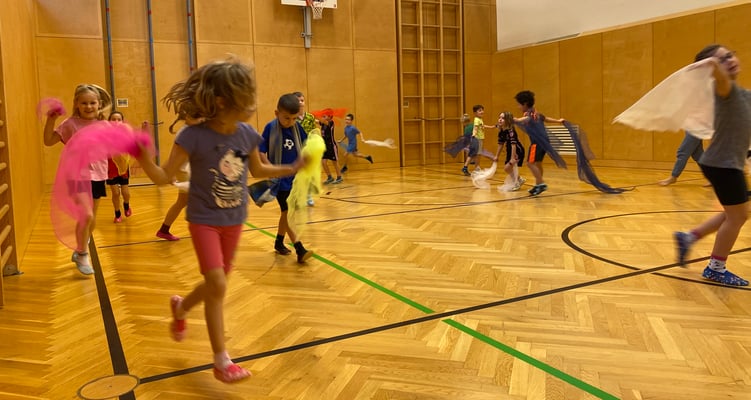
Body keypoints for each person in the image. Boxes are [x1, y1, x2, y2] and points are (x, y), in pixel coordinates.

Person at [136, 58, 304, 383]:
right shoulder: (192, 136)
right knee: (218, 285)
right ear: (223, 101)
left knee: (216, 285)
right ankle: (221, 361)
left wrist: (292, 167)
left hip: (235, 219)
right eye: (246, 97)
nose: (253, 103)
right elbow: (163, 177)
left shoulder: (247, 134)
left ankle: (181, 308)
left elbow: (257, 170)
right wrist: (142, 155)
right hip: (204, 220)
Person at [674, 44, 750, 286]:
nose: (730, 60)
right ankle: (715, 268)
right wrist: (711, 66)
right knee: (738, 217)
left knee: (735, 213)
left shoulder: (743, 94)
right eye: (721, 60)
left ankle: (689, 237)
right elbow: (719, 76)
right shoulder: (724, 90)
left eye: (730, 55)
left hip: (727, 163)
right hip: (722, 165)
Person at [43, 84, 112, 275]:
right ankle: (82, 253)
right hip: (77, 176)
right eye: (84, 103)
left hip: (98, 175)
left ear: (99, 104)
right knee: (86, 215)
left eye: (92, 103)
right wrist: (51, 120)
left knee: (92, 219)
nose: (88, 106)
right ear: (76, 104)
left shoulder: (104, 125)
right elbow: (48, 141)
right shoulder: (70, 124)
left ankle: (80, 247)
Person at [260, 93, 315, 263]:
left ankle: (279, 241)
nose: (290, 122)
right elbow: (261, 152)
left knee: (286, 212)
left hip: (294, 179)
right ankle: (299, 249)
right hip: (279, 180)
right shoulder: (270, 128)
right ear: (277, 113)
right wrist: (271, 169)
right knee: (289, 212)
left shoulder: (297, 128)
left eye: (294, 118)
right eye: (286, 118)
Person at [155, 115, 205, 241]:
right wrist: (170, 172)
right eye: (197, 116)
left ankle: (164, 230)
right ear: (187, 116)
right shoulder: (185, 132)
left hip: (187, 169)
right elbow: (174, 155)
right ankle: (203, 230)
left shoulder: (194, 130)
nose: (201, 119)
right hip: (183, 171)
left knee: (182, 202)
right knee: (199, 199)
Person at [513, 90, 566, 196]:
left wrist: (516, 120)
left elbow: (526, 119)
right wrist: (558, 121)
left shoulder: (530, 114)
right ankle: (538, 184)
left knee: (530, 163)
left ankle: (541, 183)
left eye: (519, 104)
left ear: (525, 104)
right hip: (544, 142)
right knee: (538, 163)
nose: (518, 107)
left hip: (537, 142)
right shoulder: (536, 113)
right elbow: (545, 118)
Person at [106, 111, 133, 223]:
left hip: (123, 167)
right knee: (115, 193)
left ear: (123, 121)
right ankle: (117, 214)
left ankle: (126, 205)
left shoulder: (126, 133)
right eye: (113, 119)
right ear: (109, 121)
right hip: (110, 167)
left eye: (119, 119)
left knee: (125, 193)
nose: (116, 121)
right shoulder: (105, 134)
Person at [292, 92, 317, 206]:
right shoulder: (292, 118)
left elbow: (314, 131)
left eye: (302, 100)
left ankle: (308, 195)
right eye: (297, 101)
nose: (300, 103)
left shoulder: (310, 117)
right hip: (296, 149)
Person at [494, 111, 526, 190]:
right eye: (499, 117)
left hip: (517, 150)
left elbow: (513, 145)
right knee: (508, 168)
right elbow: (500, 144)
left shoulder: (511, 131)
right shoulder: (501, 131)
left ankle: (516, 183)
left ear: (508, 120)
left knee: (507, 168)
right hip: (509, 150)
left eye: (503, 118)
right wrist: (496, 156)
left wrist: (512, 158)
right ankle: (519, 180)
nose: (500, 119)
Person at [462, 105, 496, 175]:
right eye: (479, 110)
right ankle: (471, 168)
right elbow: (475, 128)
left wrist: (492, 127)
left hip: (479, 139)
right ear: (475, 113)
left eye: (482, 110)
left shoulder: (479, 119)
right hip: (477, 139)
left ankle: (475, 167)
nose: (482, 111)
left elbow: (482, 126)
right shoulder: (477, 120)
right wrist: (474, 135)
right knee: (475, 154)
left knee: (477, 153)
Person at [318, 109, 343, 183]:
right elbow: (316, 121)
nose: (323, 117)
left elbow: (322, 121)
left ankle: (339, 177)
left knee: (334, 162)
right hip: (325, 146)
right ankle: (329, 177)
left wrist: (316, 115)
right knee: (323, 162)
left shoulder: (331, 123)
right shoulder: (323, 123)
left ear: (329, 117)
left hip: (331, 146)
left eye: (325, 116)